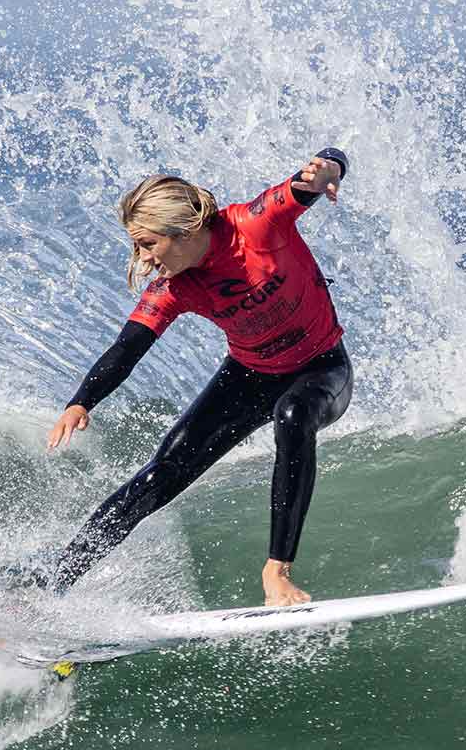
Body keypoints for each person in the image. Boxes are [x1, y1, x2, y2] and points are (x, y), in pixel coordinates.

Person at [38, 149, 354, 606]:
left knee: (293, 414)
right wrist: (81, 401)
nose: (142, 259)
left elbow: (309, 181)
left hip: (322, 367)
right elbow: (127, 349)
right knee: (159, 475)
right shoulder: (174, 286)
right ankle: (55, 584)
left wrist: (329, 166)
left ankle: (277, 572)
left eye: (147, 244)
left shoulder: (253, 225)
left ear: (182, 231)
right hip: (248, 376)